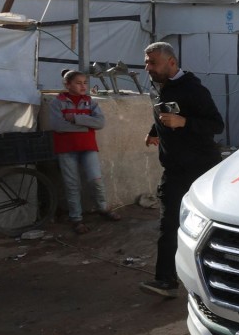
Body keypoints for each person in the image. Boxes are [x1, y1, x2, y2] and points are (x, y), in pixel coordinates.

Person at [140, 42, 225, 299]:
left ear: (172, 63)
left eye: (153, 62)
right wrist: (155, 132)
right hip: (175, 170)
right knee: (169, 224)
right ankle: (165, 280)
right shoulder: (162, 87)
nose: (147, 68)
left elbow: (216, 124)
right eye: (146, 62)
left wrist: (184, 122)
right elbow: (164, 113)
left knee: (209, 227)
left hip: (200, 169)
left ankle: (219, 277)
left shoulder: (194, 89)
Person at [50, 70, 120, 235]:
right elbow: (58, 126)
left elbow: (100, 122)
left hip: (88, 147)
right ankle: (76, 218)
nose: (83, 86)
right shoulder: (57, 103)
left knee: (96, 180)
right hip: (66, 149)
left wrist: (75, 118)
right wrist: (86, 125)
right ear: (67, 85)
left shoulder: (90, 102)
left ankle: (103, 209)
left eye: (85, 83)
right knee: (72, 185)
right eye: (78, 83)